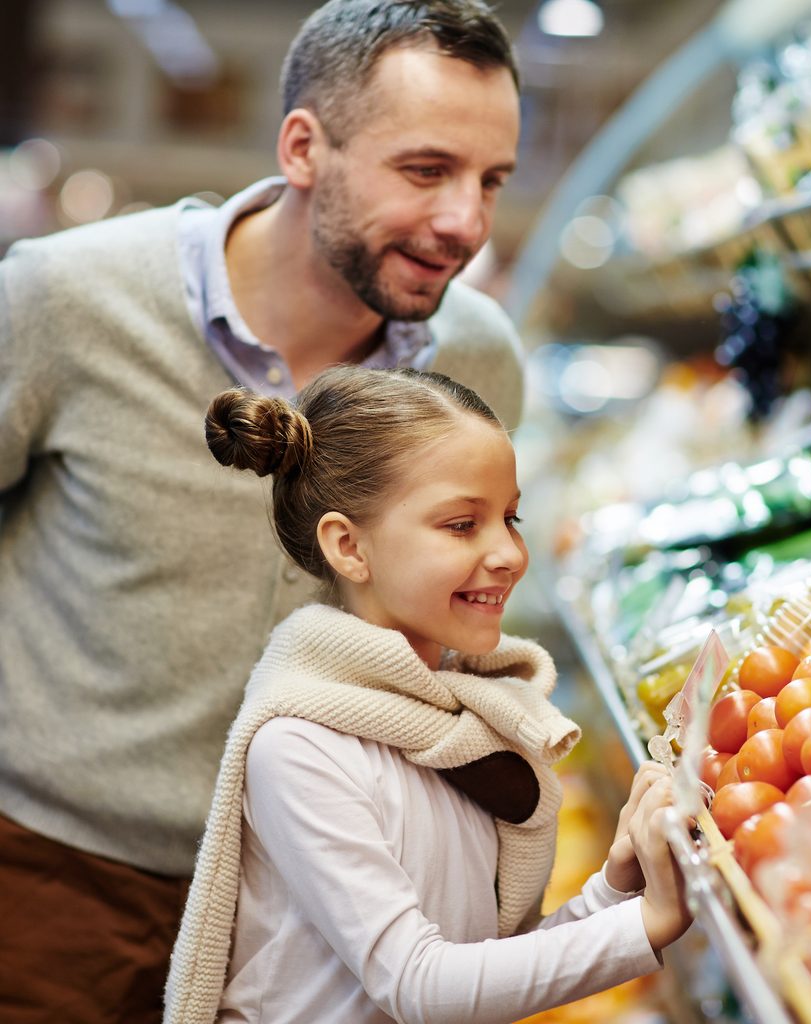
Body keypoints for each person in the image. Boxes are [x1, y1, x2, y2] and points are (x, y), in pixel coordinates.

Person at [0, 2, 528, 1020]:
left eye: (491, 180)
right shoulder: (68, 300)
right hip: (52, 884)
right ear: (302, 148)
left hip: (310, 905)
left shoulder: (478, 359)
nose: (467, 221)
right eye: (426, 171)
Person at [163, 366, 690, 1023]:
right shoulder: (298, 747)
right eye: (463, 524)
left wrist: (618, 885)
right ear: (349, 546)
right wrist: (645, 924)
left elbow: (492, 967)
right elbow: (419, 985)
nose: (509, 553)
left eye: (510, 517)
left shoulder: (457, 721)